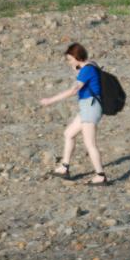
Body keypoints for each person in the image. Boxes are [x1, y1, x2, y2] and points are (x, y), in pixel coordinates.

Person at [40, 43, 108, 186]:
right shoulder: (90, 65)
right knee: (69, 133)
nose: (69, 62)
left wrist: (50, 100)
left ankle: (100, 175)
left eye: (70, 59)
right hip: (87, 107)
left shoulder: (87, 70)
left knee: (90, 144)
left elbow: (73, 90)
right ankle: (64, 167)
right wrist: (75, 68)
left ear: (77, 57)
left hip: (91, 107)